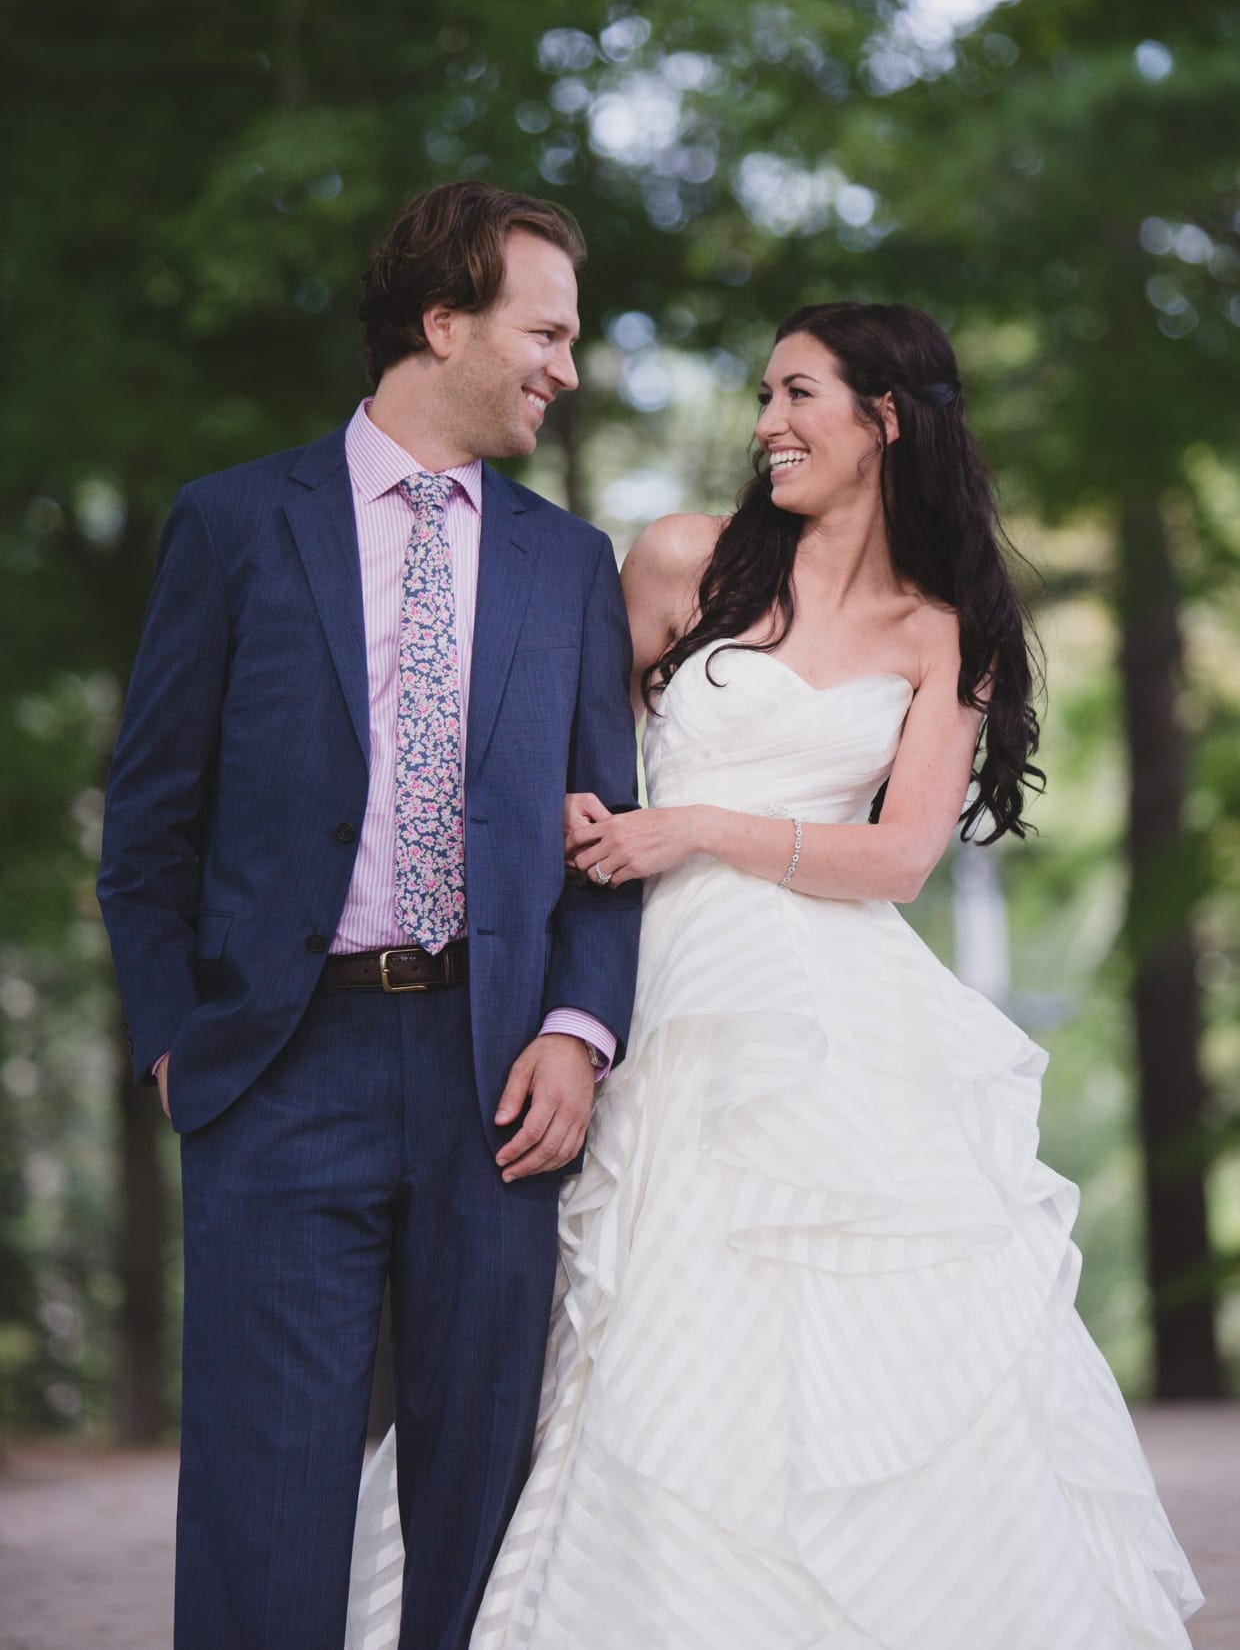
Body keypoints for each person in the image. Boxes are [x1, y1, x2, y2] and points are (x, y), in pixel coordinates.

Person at [348, 299, 1203, 1649]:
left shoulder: (944, 632)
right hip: (658, 987)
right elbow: (561, 740)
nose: (765, 426)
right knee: (626, 1317)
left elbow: (905, 858)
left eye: (797, 395)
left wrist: (691, 827)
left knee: (835, 1330)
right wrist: (583, 814)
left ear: (887, 419)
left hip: (831, 1009)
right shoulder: (685, 560)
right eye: (763, 397)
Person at [96, 181, 642, 1650]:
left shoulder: (569, 565)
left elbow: (609, 841)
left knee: (477, 1521)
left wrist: (582, 1034)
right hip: (280, 1071)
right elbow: (146, 828)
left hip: (499, 1086)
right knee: (266, 1519)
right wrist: (174, 1044)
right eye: (545, 331)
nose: (565, 368)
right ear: (441, 321)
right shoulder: (229, 526)